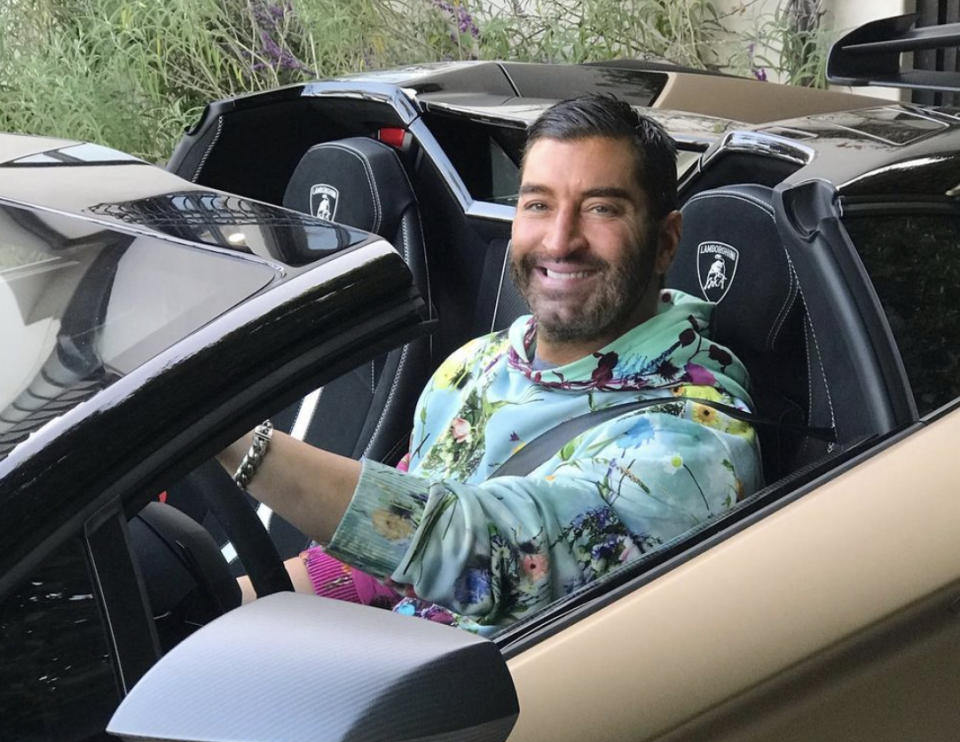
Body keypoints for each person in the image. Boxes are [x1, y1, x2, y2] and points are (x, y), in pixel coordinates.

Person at [218, 95, 762, 635]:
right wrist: (214, 605)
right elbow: (374, 563)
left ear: (665, 242)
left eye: (601, 208)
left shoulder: (692, 446)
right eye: (538, 204)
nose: (559, 240)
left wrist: (229, 435)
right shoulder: (475, 365)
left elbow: (489, 554)